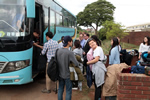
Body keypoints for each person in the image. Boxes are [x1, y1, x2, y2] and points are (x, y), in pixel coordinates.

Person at [57, 36, 79, 100]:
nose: (72, 43)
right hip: (67, 75)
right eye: (71, 41)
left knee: (60, 89)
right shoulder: (70, 52)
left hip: (60, 74)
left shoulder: (58, 51)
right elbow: (76, 63)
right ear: (69, 42)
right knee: (68, 91)